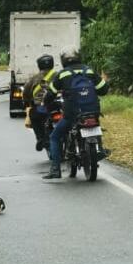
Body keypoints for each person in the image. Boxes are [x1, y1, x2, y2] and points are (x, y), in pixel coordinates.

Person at [43, 48, 108, 179]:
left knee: (54, 137)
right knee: (96, 124)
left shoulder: (62, 75)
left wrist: (46, 103)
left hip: (72, 114)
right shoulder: (89, 70)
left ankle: (55, 169)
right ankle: (100, 148)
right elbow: (103, 89)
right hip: (92, 111)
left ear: (63, 61)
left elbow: (50, 95)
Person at [23, 54, 56, 151]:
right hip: (58, 106)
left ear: (39, 65)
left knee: (33, 116)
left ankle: (40, 138)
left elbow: (26, 92)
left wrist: (26, 102)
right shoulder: (58, 75)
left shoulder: (34, 78)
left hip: (41, 109)